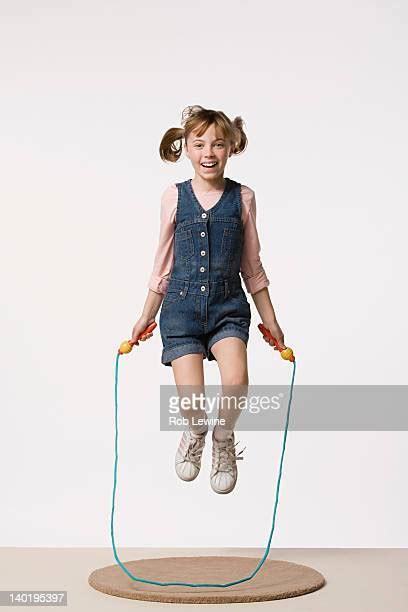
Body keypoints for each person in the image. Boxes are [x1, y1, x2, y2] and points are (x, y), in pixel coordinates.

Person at [131, 105, 286, 494]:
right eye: (199, 144)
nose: (208, 152)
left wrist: (271, 320)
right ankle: (196, 430)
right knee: (191, 401)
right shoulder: (173, 197)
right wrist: (144, 317)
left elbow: (252, 266)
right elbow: (162, 265)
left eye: (218, 144)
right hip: (180, 312)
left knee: (236, 380)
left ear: (230, 148)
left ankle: (223, 439)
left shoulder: (243, 198)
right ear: (186, 148)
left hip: (227, 308)